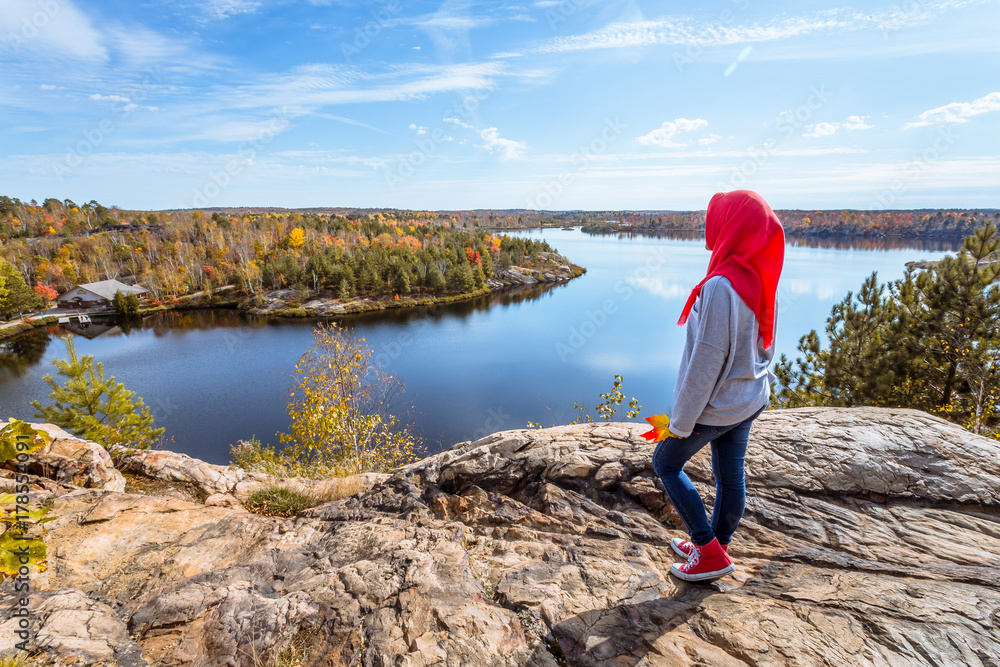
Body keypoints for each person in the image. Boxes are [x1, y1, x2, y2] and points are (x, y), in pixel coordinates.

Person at [651, 189, 785, 582]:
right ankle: (718, 547)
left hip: (720, 404)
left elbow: (706, 362)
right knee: (730, 475)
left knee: (665, 462)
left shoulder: (721, 287)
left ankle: (707, 550)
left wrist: (681, 421)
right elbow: (765, 343)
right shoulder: (760, 276)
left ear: (731, 226)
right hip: (749, 397)